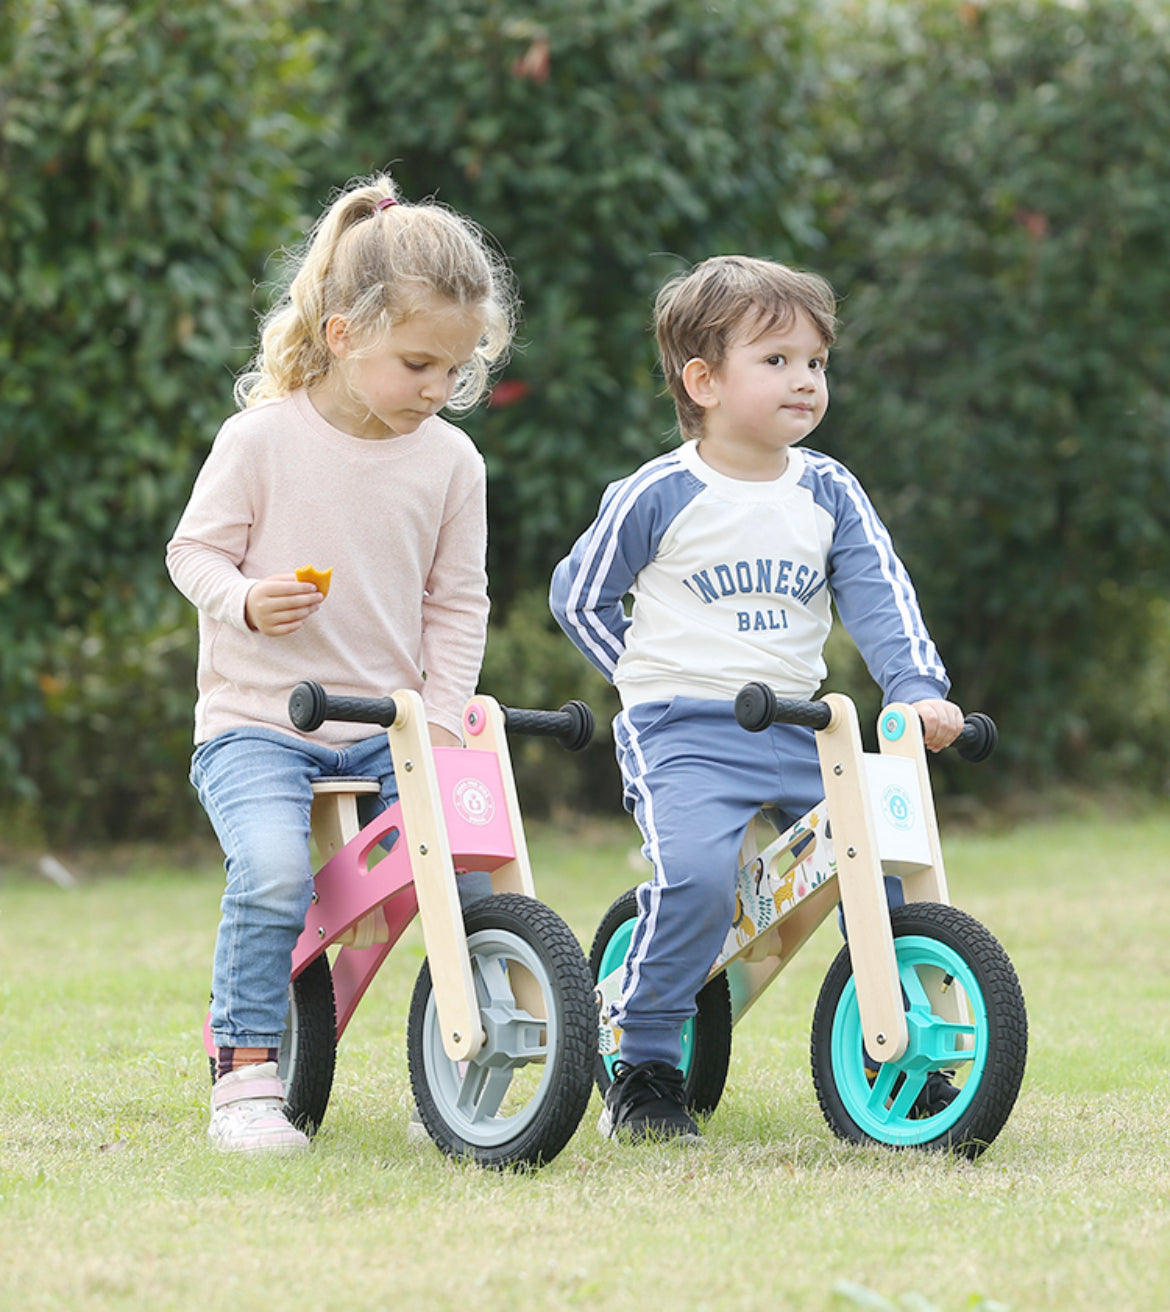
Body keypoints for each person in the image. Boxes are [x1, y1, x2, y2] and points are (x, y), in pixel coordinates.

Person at [550, 255, 964, 1142]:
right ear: (703, 381)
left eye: (816, 362)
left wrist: (919, 689)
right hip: (684, 731)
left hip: (805, 728)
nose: (805, 380)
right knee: (697, 879)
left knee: (880, 872)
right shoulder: (661, 493)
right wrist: (642, 681)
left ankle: (899, 1047)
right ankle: (645, 1056)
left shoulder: (828, 490)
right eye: (775, 361)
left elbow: (882, 600)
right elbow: (578, 595)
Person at [167, 172, 516, 1153]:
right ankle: (242, 1074)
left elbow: (456, 604)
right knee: (274, 870)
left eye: (455, 370)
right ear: (342, 336)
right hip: (255, 720)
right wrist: (242, 598)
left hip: (386, 728)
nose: (440, 390)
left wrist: (440, 718)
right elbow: (191, 552)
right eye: (418, 364)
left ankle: (461, 1073)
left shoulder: (452, 463)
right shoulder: (261, 440)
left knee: (476, 871)